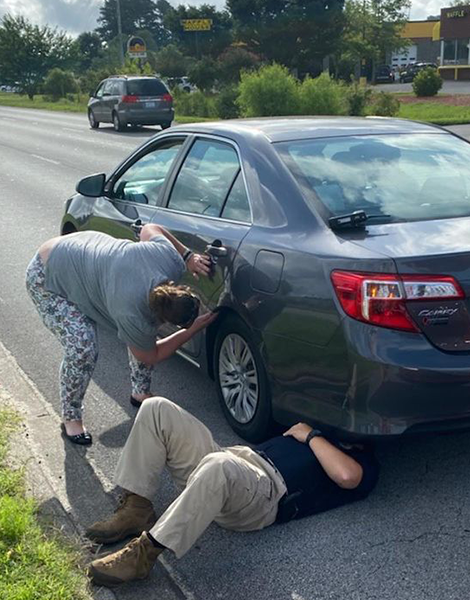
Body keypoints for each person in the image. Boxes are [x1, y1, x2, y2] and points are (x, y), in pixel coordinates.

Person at [85, 397, 378, 587]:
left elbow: (347, 476)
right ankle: (137, 508)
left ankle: (144, 554)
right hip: (234, 463)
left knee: (219, 465)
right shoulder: (317, 429)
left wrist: (311, 435)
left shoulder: (360, 459)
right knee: (156, 408)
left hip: (263, 495)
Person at [25, 224, 215, 445]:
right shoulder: (132, 312)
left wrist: (188, 256)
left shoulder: (169, 260)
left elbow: (150, 229)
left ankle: (140, 393)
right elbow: (149, 354)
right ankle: (71, 417)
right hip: (47, 275)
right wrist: (192, 329)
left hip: (82, 250)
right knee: (82, 347)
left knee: (141, 336)